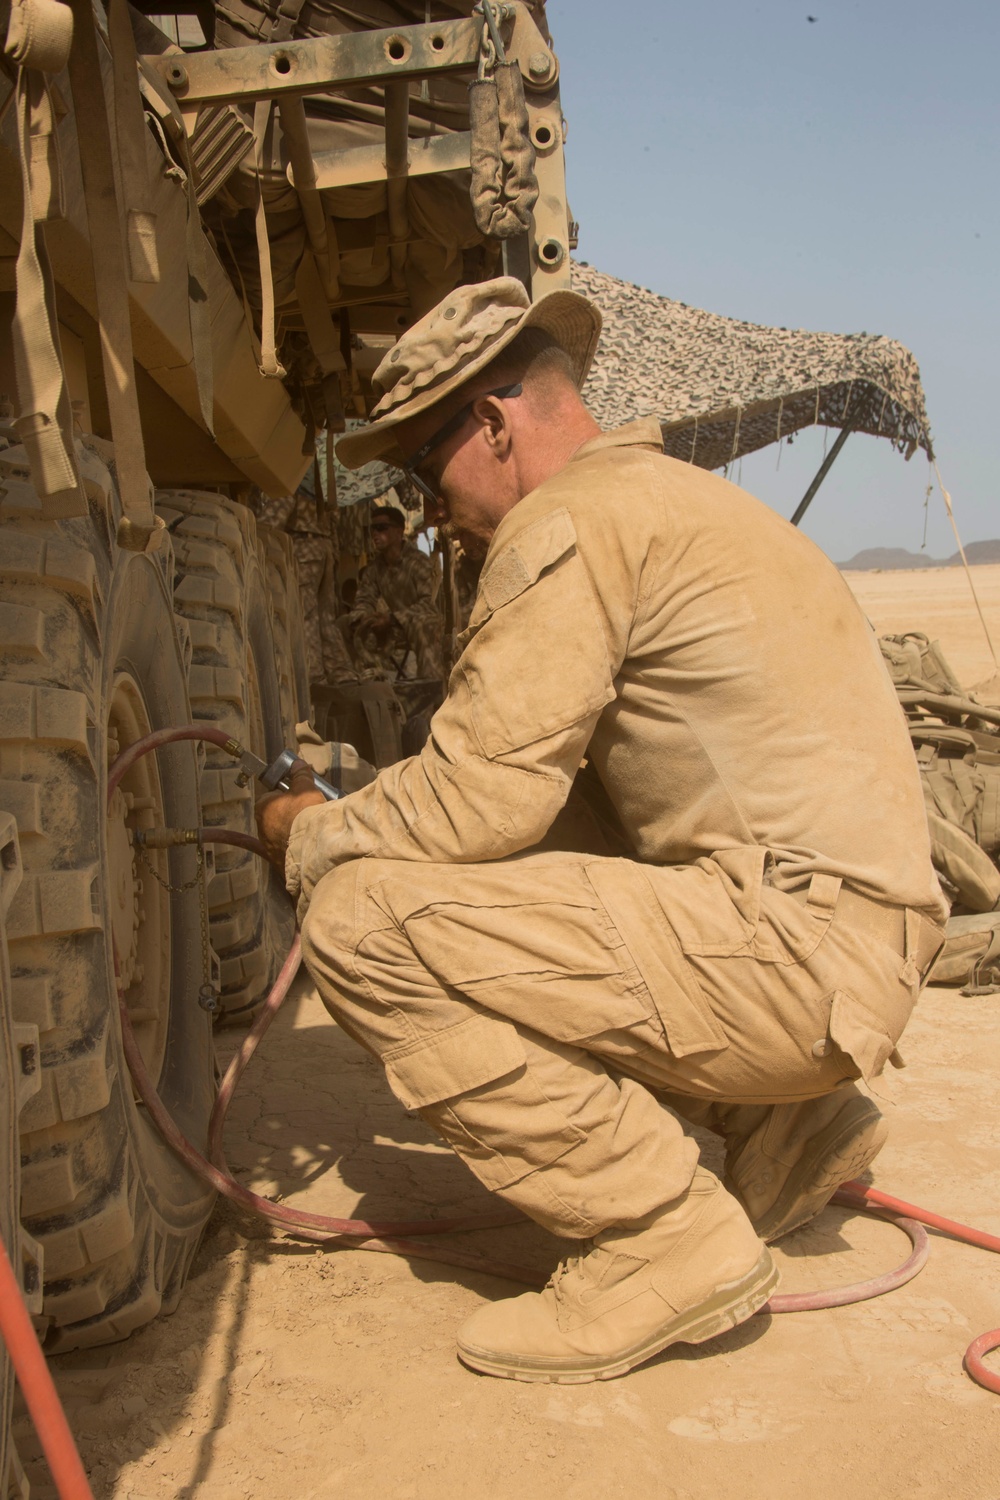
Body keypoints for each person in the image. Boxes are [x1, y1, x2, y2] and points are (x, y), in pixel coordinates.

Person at [256, 277, 946, 1385]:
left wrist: (308, 831)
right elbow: (537, 810)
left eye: (426, 471)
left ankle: (656, 1238)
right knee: (524, 858)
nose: (430, 511)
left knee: (360, 921)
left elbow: (478, 799)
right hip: (845, 945)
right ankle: (787, 1127)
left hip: (796, 958)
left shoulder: (567, 519)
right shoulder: (672, 498)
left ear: (492, 424)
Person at [257, 483, 358, 686]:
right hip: (324, 546)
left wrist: (255, 534)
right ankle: (341, 674)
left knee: (305, 614)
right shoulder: (319, 475)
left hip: (303, 545)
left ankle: (314, 677)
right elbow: (334, 517)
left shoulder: (293, 474)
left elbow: (278, 512)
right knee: (326, 618)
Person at [348, 502, 444, 680]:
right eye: (372, 529)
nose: (375, 534)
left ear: (399, 531)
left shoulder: (418, 561)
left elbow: (427, 604)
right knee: (345, 624)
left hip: (419, 624)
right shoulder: (375, 568)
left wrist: (392, 618)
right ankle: (358, 681)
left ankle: (431, 687)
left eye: (381, 528)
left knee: (423, 624)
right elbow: (364, 599)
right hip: (392, 629)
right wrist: (364, 618)